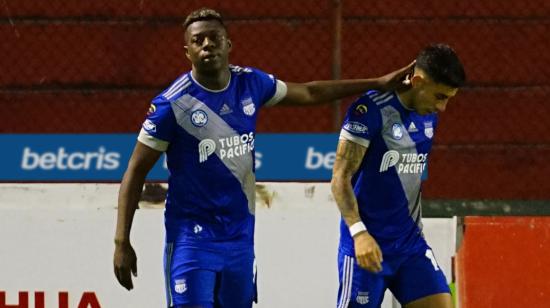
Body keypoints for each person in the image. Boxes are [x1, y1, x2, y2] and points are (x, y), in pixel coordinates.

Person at [113, 7, 414, 308]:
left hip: (240, 241)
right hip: (192, 242)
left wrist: (377, 82)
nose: (207, 45)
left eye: (214, 38)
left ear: (228, 44)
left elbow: (309, 93)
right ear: (187, 52)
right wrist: (121, 242)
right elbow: (135, 170)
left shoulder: (251, 84)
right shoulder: (172, 104)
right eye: (198, 40)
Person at [331, 43, 465, 308]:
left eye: (449, 98)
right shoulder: (369, 111)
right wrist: (359, 234)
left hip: (409, 246)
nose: (443, 108)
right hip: (366, 248)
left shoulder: (429, 116)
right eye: (439, 96)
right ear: (417, 81)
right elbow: (339, 179)